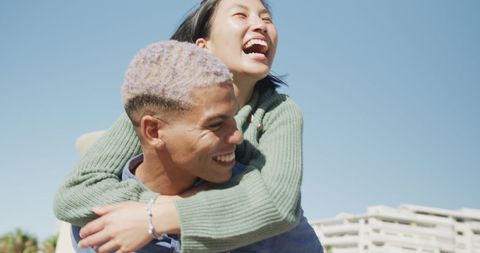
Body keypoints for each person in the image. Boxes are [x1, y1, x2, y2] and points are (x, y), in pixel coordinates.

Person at [54, 0, 323, 252]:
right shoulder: (159, 100)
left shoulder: (279, 110)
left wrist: (156, 215)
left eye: (267, 18)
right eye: (241, 14)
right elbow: (75, 194)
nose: (260, 24)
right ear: (202, 47)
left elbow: (277, 203)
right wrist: (154, 204)